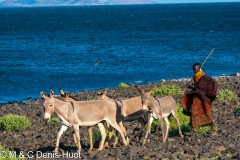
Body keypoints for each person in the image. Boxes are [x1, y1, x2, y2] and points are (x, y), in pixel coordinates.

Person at [180, 63, 218, 135]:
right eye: (193, 69)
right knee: (193, 112)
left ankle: (212, 129)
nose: (194, 70)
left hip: (204, 99)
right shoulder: (196, 77)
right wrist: (190, 87)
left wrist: (211, 93)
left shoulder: (204, 77)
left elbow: (213, 83)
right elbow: (198, 88)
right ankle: (192, 131)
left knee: (207, 112)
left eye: (196, 69)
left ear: (199, 68)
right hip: (197, 98)